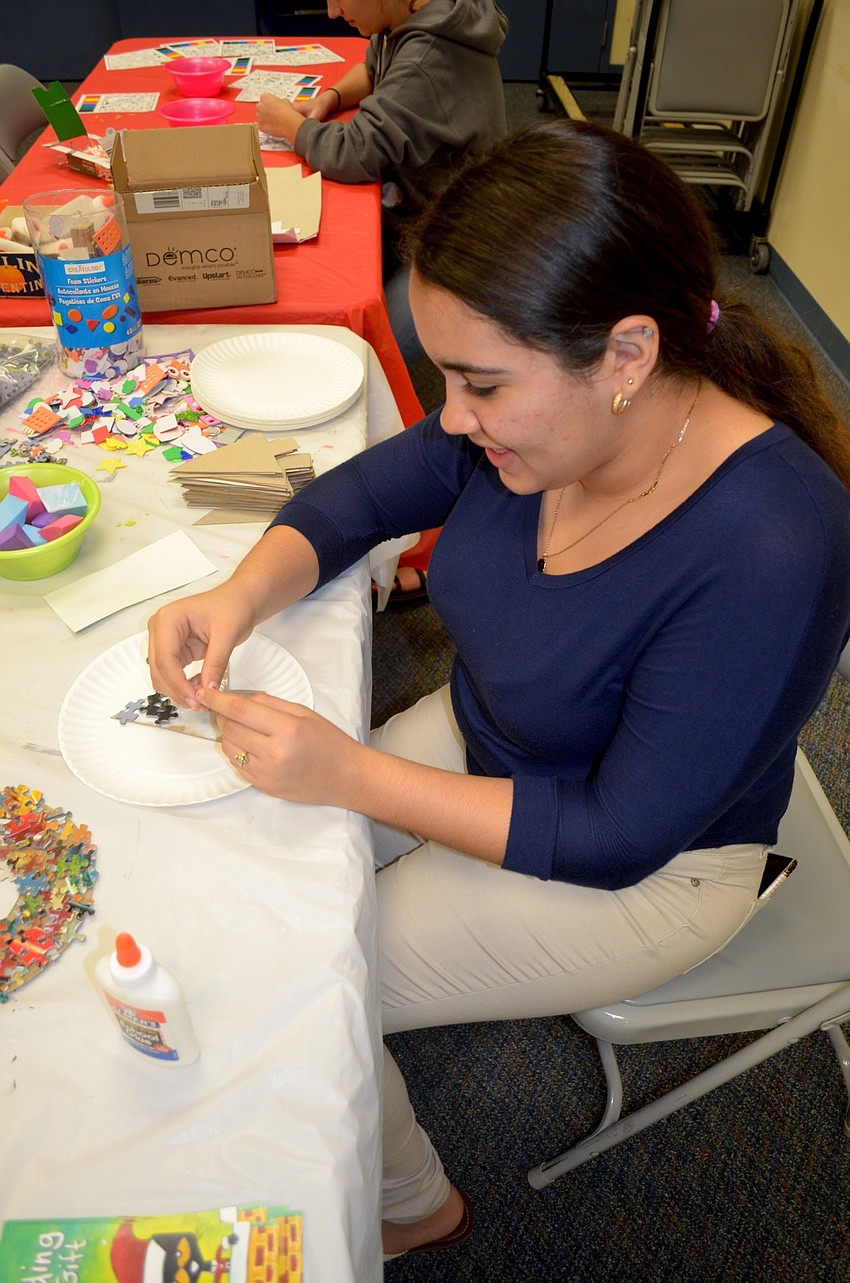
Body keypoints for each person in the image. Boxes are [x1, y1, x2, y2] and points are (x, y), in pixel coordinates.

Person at [148, 118, 850, 1260]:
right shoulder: (535, 426)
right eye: (444, 378)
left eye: (478, 383)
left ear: (625, 355)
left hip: (649, 867)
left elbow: (617, 833)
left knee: (291, 979)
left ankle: (412, 1199)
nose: (453, 417)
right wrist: (239, 595)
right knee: (251, 863)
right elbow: (357, 500)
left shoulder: (771, 544)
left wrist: (353, 774)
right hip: (504, 739)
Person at [256, 0, 509, 367]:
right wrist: (331, 97)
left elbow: (351, 153)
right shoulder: (410, 21)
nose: (332, 12)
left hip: (463, 243)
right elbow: (375, 71)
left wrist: (290, 126)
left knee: (366, 352)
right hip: (425, 210)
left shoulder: (428, 57)